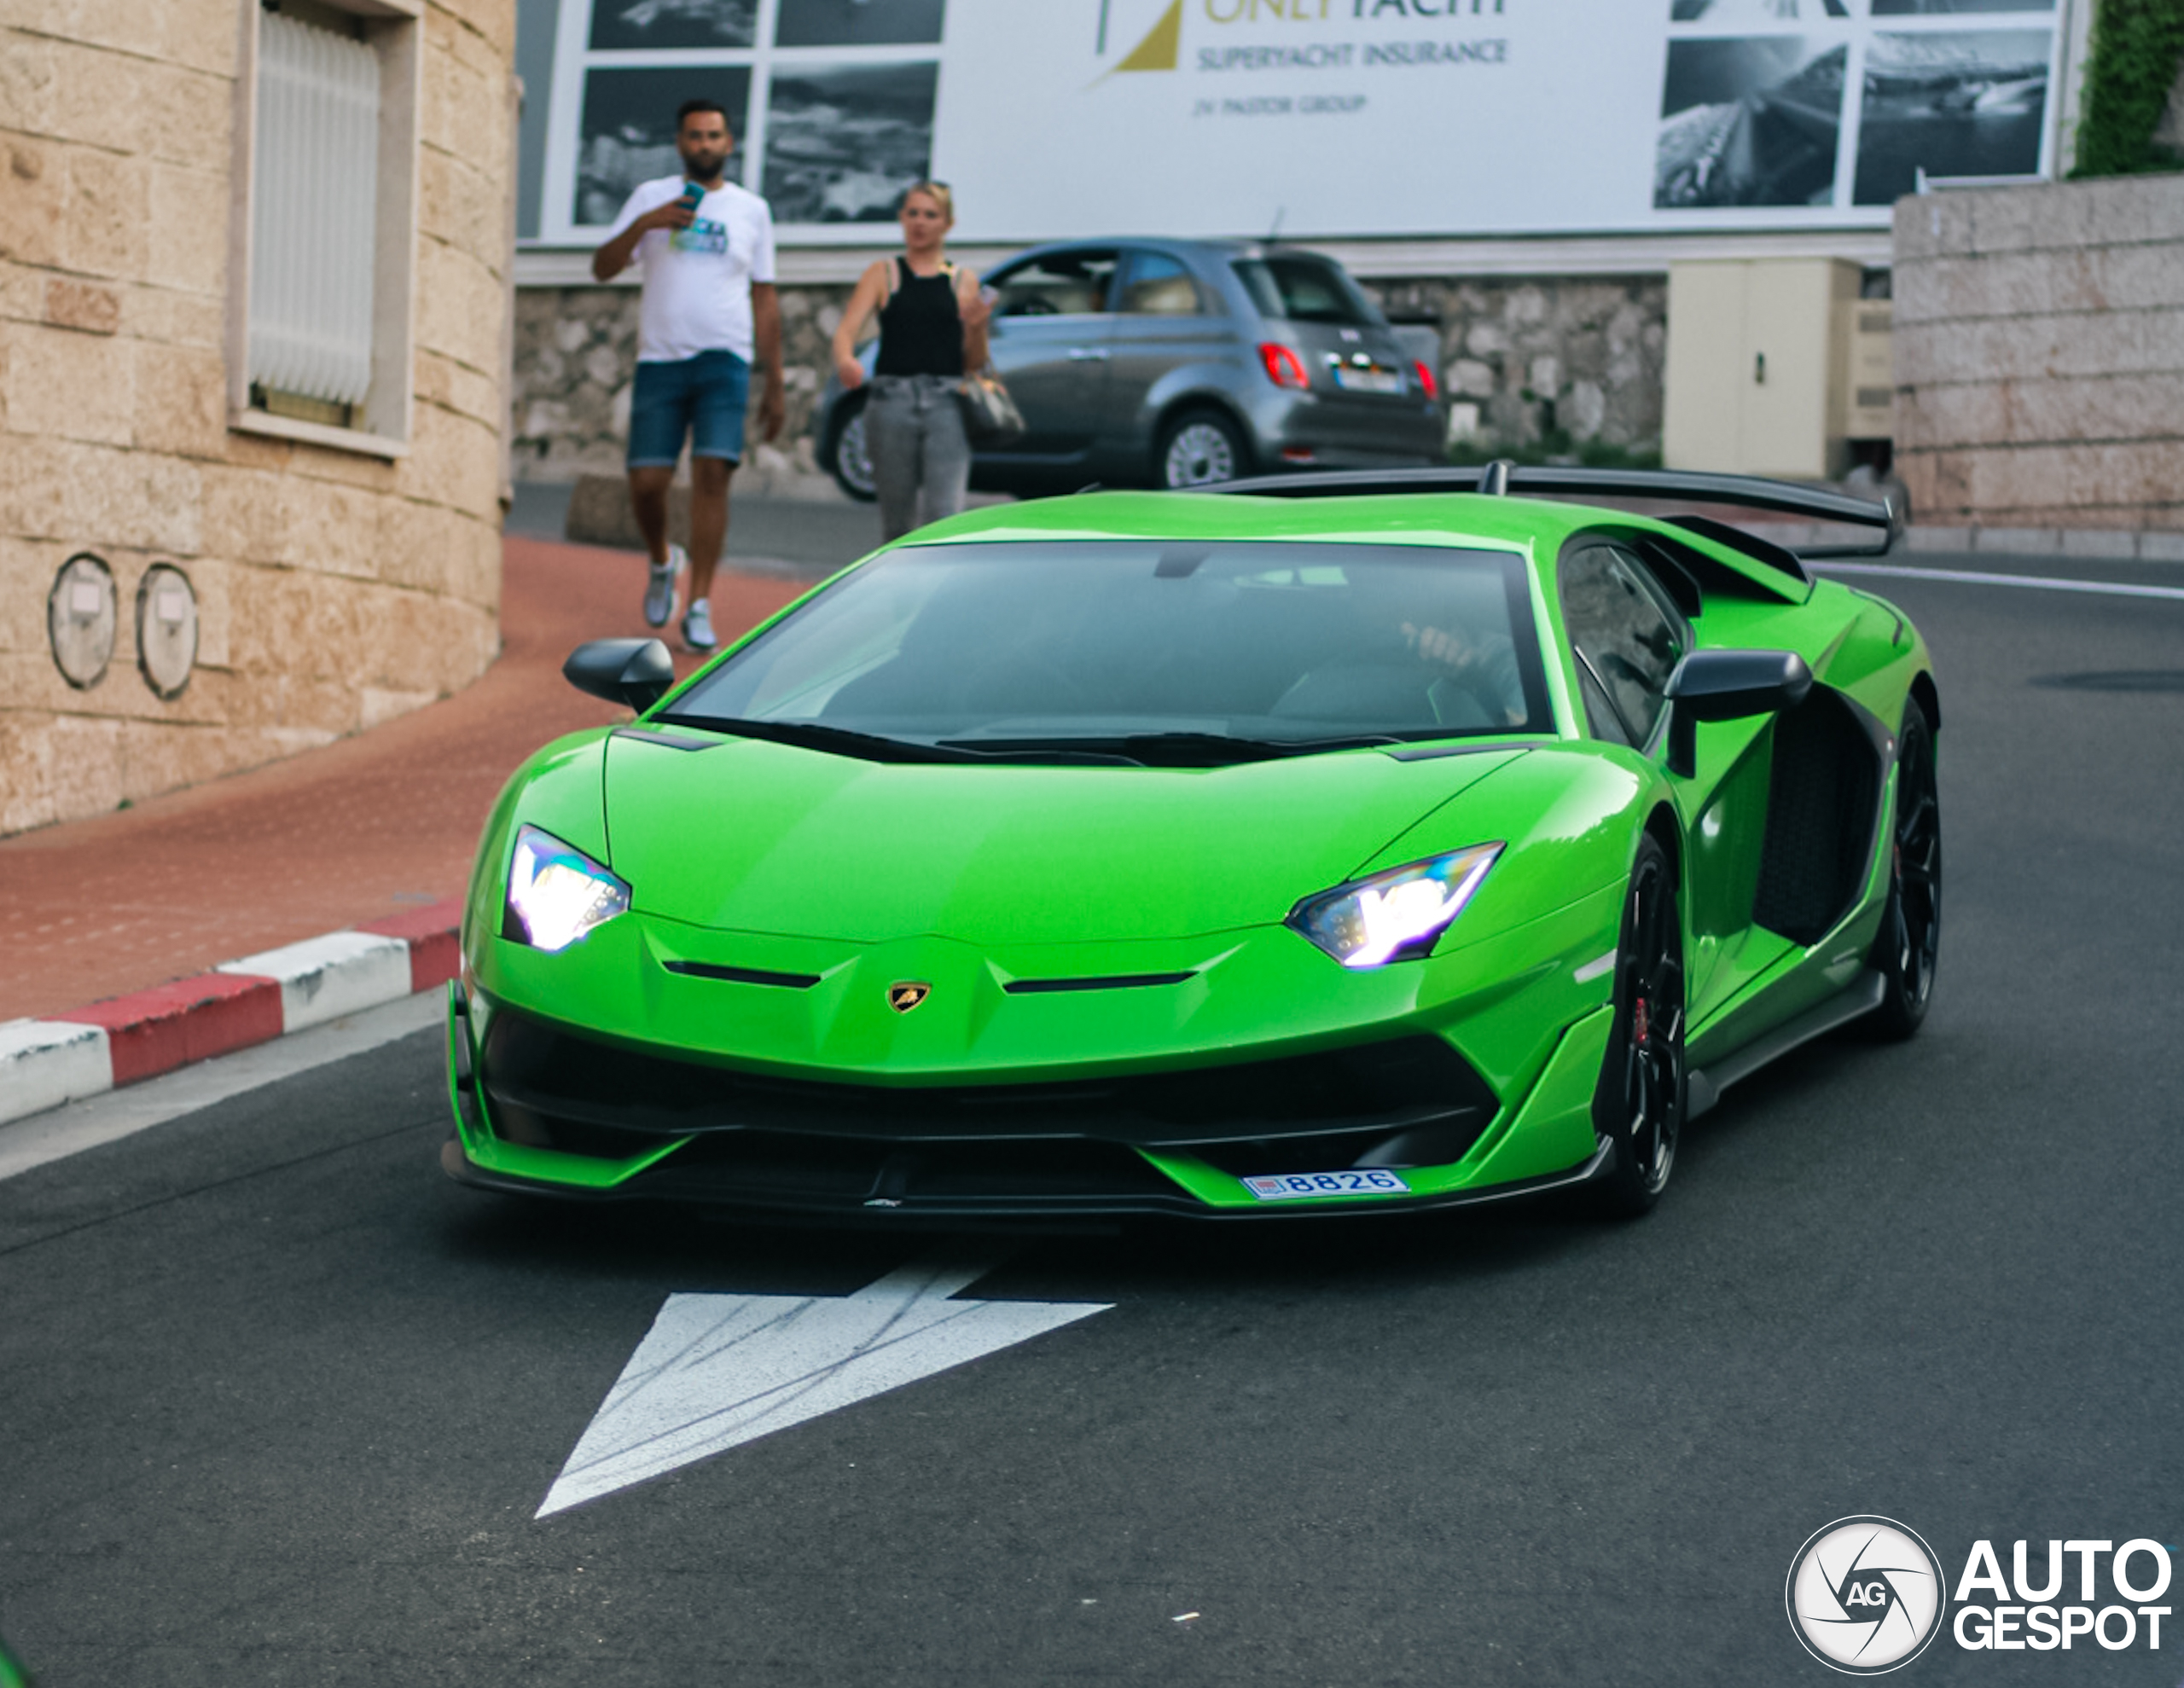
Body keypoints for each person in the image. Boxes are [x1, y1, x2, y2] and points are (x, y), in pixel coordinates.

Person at [590, 98, 786, 652]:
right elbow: (602, 268)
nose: (704, 144)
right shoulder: (650, 197)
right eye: (695, 136)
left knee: (712, 477)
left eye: (714, 135)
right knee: (647, 483)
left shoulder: (752, 210)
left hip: (725, 359)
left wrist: (773, 383)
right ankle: (661, 559)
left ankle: (699, 603)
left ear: (729, 143)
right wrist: (647, 224)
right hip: (660, 359)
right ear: (680, 143)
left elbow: (766, 300)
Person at [828, 182, 992, 543]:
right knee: (897, 521)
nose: (920, 223)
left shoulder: (963, 280)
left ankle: (939, 595)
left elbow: (975, 362)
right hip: (891, 401)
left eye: (930, 215)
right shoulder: (883, 273)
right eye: (913, 213)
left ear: (947, 223)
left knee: (944, 518)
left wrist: (977, 327)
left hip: (946, 402)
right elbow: (846, 332)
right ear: (902, 218)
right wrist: (847, 361)